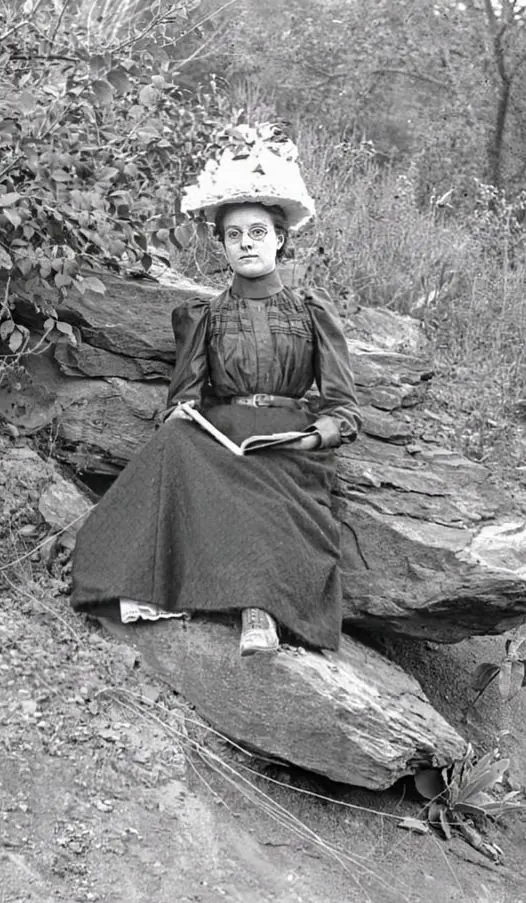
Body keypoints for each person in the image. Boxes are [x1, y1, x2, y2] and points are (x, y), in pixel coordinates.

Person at [71, 124, 361, 656]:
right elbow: (183, 397)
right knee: (174, 444)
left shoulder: (311, 312)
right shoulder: (206, 316)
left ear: (280, 239)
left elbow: (343, 408)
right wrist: (182, 415)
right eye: (233, 235)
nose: (246, 243)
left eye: (257, 232)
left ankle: (259, 613)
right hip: (222, 438)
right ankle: (147, 588)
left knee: (266, 498)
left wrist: (314, 437)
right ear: (222, 245)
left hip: (289, 446)